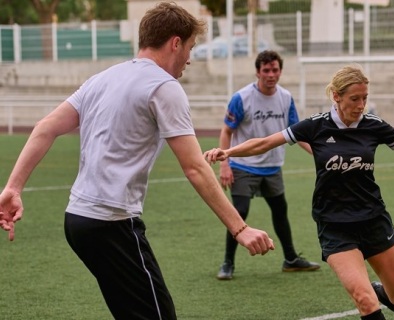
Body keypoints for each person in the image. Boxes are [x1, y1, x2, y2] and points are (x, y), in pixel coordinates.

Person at [0, 2, 274, 319]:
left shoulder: (101, 79)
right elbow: (195, 167)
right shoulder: (164, 86)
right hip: (111, 223)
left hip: (76, 221)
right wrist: (240, 229)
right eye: (190, 47)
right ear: (175, 43)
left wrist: (14, 187)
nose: (189, 57)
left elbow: (44, 128)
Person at [204, 64, 394, 319]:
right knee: (365, 301)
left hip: (374, 220)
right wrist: (228, 152)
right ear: (336, 96)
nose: (361, 105)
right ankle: (367, 292)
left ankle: (376, 289)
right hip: (335, 224)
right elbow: (265, 142)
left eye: (365, 98)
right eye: (354, 98)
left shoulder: (374, 125)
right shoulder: (316, 126)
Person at [215, 50, 319, 280]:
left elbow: (297, 133)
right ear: (257, 72)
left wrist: (318, 153)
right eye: (266, 70)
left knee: (280, 212)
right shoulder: (241, 98)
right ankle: (228, 263)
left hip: (273, 167)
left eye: (275, 70)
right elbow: (227, 131)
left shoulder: (285, 97)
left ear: (280, 71)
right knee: (238, 213)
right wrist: (225, 165)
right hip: (243, 165)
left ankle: (291, 259)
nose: (271, 75)